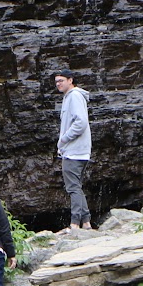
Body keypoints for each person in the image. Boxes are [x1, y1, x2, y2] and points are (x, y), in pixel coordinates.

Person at [55, 71, 92, 229]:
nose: (58, 84)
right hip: (78, 151)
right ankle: (86, 223)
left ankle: (75, 223)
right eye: (56, 81)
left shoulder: (74, 96)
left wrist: (64, 139)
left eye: (61, 80)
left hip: (74, 152)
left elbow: (81, 122)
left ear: (70, 80)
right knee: (76, 186)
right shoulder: (71, 96)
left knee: (73, 188)